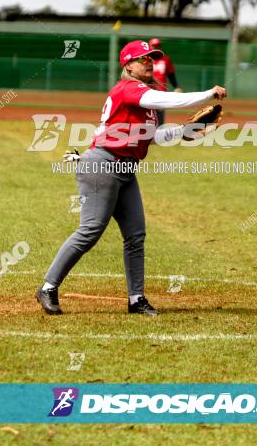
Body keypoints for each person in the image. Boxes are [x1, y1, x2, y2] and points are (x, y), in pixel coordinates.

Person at [35, 39, 226, 316]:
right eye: (142, 59)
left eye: (151, 58)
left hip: (125, 169)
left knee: (135, 235)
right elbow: (171, 99)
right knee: (90, 231)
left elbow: (151, 137)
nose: (148, 62)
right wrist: (209, 93)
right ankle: (48, 287)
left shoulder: (145, 102)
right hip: (102, 164)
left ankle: (136, 299)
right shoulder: (129, 89)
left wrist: (185, 131)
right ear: (129, 65)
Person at [148, 38, 181, 127]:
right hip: (148, 89)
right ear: (150, 46)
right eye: (154, 46)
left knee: (160, 114)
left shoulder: (165, 59)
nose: (156, 47)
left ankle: (159, 131)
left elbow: (171, 74)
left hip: (161, 90)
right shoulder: (145, 59)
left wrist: (176, 86)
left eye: (157, 46)